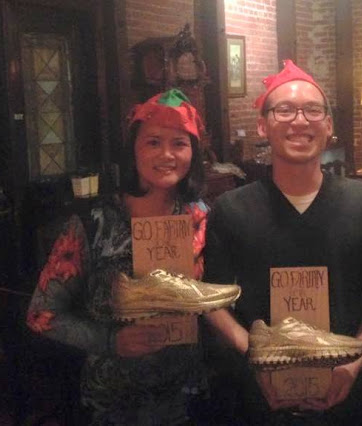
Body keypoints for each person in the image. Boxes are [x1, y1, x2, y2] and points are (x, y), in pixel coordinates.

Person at [203, 59, 362, 425]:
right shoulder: (231, 209)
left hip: (353, 395)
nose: (300, 120)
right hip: (258, 398)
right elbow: (213, 301)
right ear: (263, 125)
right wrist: (257, 358)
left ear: (329, 125)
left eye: (312, 110)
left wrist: (354, 365)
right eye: (285, 110)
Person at [25, 89, 225, 425]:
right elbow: (40, 315)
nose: (167, 154)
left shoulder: (201, 217)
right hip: (112, 403)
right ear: (133, 149)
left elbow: (217, 300)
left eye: (179, 143)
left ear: (193, 152)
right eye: (153, 142)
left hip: (188, 397)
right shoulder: (92, 223)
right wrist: (110, 340)